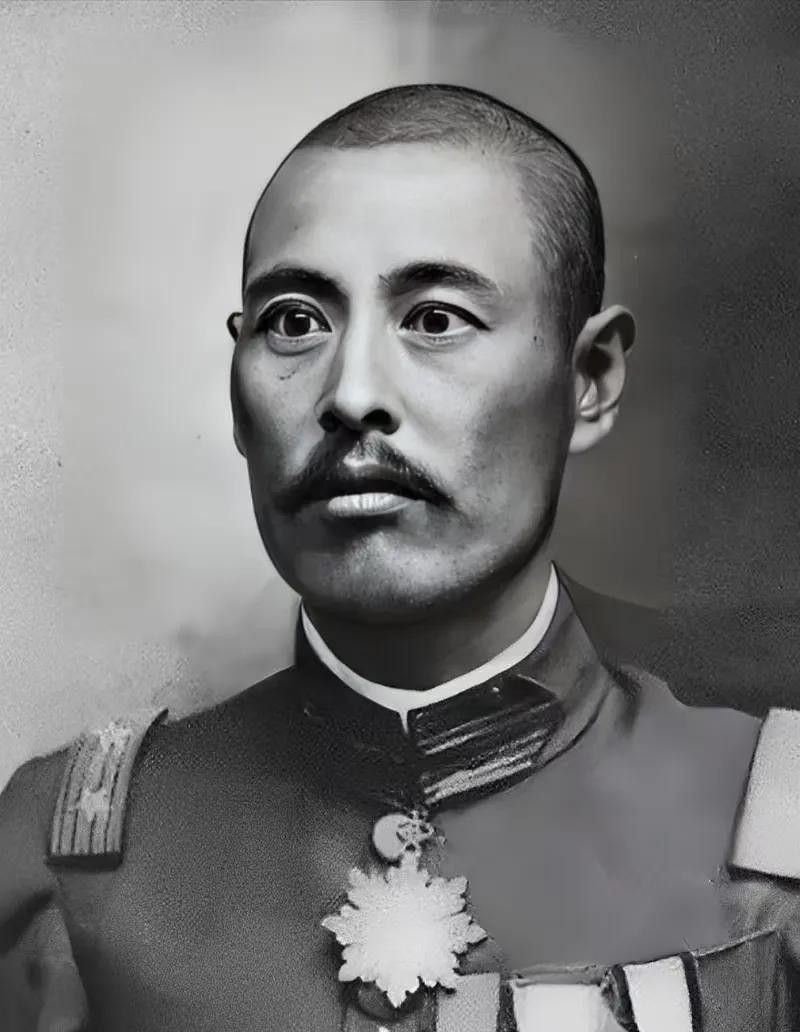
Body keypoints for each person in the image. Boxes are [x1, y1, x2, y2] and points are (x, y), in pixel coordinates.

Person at [1, 84, 797, 1032]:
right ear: (235, 390)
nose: (351, 394)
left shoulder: (773, 853)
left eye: (436, 318)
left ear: (588, 380)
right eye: (295, 321)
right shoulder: (72, 865)